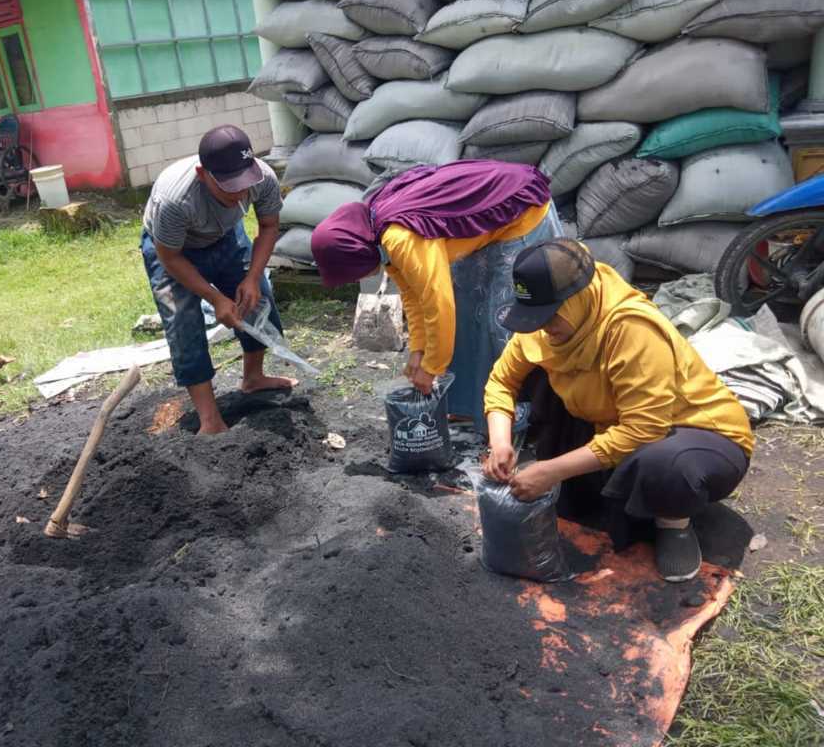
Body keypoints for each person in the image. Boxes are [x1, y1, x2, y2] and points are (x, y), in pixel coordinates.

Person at [483, 239, 754, 582]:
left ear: (577, 299)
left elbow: (645, 428)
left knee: (665, 466)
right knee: (539, 375)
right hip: (611, 422)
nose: (544, 327)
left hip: (695, 433)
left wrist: (552, 470)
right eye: (537, 317)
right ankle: (605, 485)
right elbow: (501, 382)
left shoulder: (632, 329)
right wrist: (500, 442)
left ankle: (674, 525)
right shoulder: (546, 328)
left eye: (551, 316)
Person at [310, 159, 562, 432]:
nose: (359, 278)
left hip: (521, 211)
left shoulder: (400, 238)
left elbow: (438, 304)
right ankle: (469, 406)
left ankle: (519, 419)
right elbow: (413, 296)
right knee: (467, 312)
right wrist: (418, 351)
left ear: (355, 255)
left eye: (353, 272)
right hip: (488, 226)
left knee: (500, 323)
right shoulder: (377, 232)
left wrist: (431, 369)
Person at [141, 125, 296, 435]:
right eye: (229, 186)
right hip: (174, 249)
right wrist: (215, 299)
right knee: (183, 322)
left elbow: (268, 226)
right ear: (203, 174)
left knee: (257, 299)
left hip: (224, 237)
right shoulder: (175, 198)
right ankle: (210, 418)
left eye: (244, 183)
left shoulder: (262, 178)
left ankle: (253, 378)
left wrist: (252, 278)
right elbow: (169, 258)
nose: (240, 193)